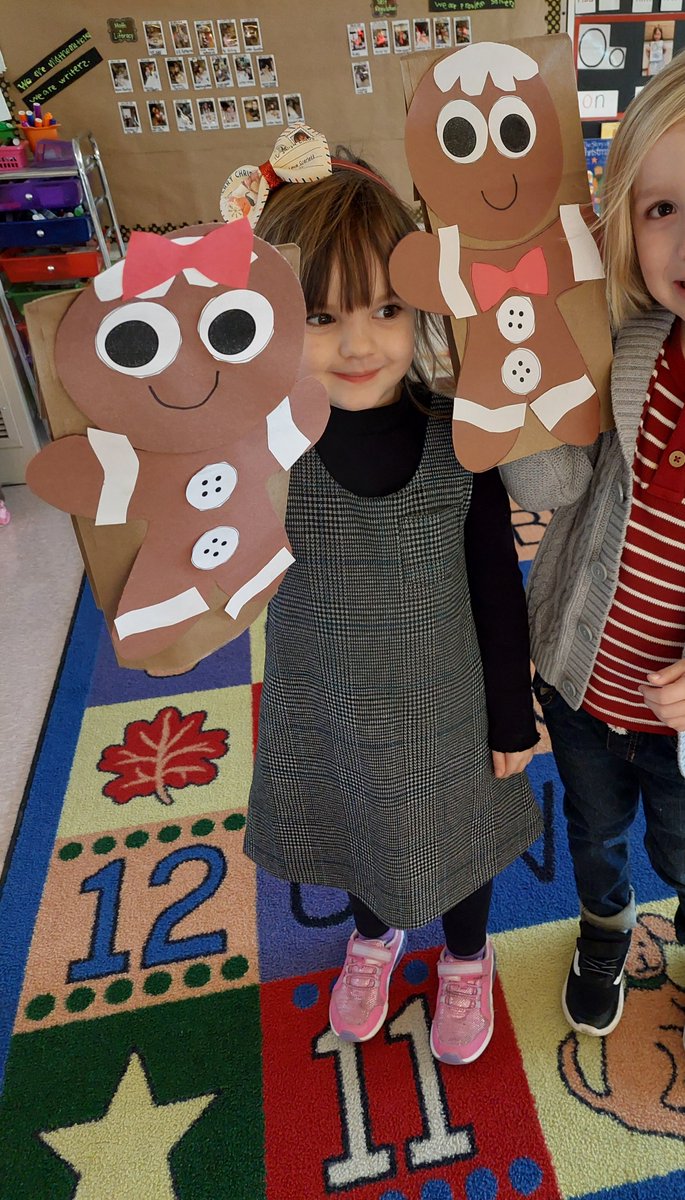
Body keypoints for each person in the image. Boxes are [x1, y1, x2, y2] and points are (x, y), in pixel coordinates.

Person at [242, 145, 541, 1064]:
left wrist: (509, 712)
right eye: (320, 317)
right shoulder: (261, 452)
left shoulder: (459, 438)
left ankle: (465, 955)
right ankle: (371, 938)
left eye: (385, 309)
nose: (359, 344)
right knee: (358, 827)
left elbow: (496, 583)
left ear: (420, 310)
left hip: (446, 702)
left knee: (461, 836)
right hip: (327, 701)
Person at [501, 52, 685, 1040]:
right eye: (660, 208)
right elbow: (549, 488)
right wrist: (508, 371)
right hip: (579, 682)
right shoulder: (629, 346)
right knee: (594, 831)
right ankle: (605, 929)